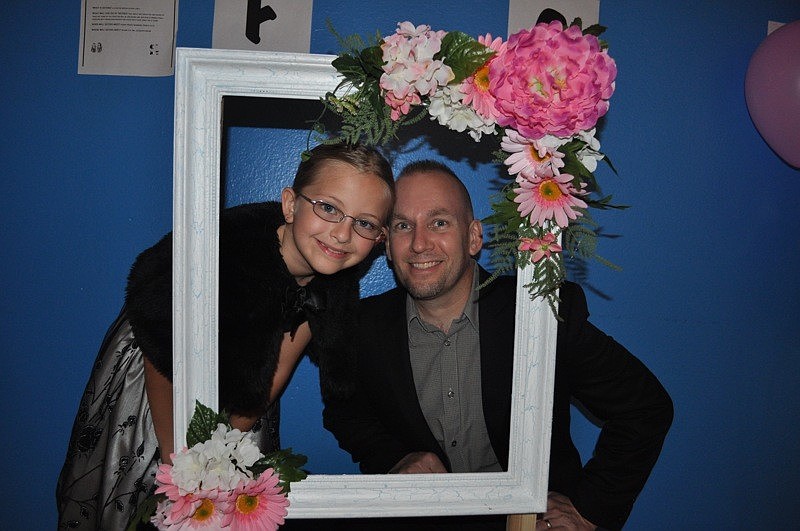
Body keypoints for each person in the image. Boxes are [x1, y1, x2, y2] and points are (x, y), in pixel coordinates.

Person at [56, 143, 395, 530]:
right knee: (138, 495)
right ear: (290, 205)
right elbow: (160, 345)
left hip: (242, 386)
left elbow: (270, 378)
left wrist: (217, 460)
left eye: (365, 223)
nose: (341, 233)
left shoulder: (331, 286)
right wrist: (179, 464)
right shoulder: (225, 247)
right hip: (157, 380)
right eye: (329, 208)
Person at [323, 160, 674, 530]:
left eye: (439, 222)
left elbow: (645, 407)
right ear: (387, 246)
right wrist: (395, 458)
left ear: (474, 237)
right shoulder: (358, 329)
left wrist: (589, 510)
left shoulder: (540, 312)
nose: (419, 242)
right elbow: (345, 412)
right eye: (403, 225)